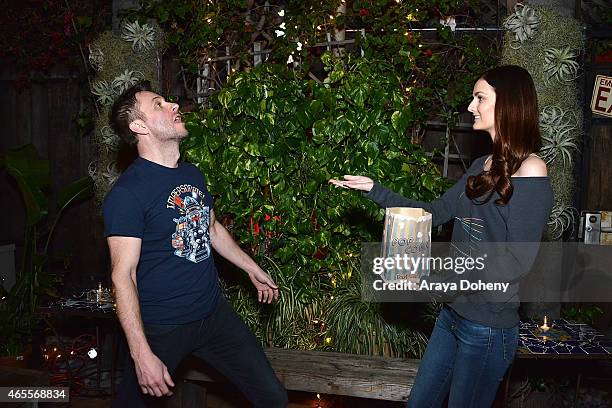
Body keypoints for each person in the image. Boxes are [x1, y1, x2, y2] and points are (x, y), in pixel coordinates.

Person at [330, 65, 552, 407]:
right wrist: (375, 190)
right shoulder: (481, 165)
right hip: (452, 316)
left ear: (507, 103)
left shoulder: (532, 170)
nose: (470, 106)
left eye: (480, 98)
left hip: (488, 327)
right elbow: (433, 213)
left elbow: (517, 262)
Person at [103, 81, 288, 407]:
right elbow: (123, 275)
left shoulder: (192, 174)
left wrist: (251, 268)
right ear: (139, 125)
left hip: (213, 315)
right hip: (164, 326)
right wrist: (142, 354)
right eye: (158, 104)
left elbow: (212, 228)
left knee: (272, 396)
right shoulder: (127, 194)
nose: (173, 105)